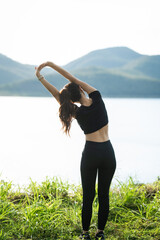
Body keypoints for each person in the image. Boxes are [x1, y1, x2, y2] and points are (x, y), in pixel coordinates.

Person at [35, 61, 116, 240]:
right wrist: (50, 64)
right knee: (104, 195)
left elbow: (57, 94)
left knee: (88, 195)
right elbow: (71, 78)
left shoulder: (75, 111)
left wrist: (40, 77)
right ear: (80, 88)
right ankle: (100, 233)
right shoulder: (97, 96)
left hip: (91, 153)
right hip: (108, 152)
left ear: (71, 100)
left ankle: (85, 234)